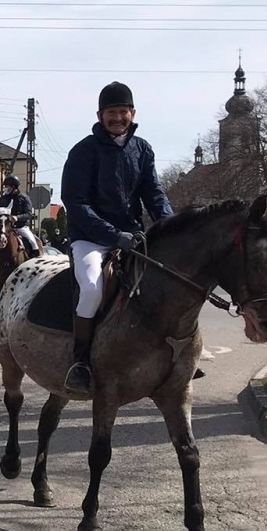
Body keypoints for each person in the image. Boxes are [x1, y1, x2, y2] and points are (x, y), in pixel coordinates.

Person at [60, 81, 174, 391]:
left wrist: (171, 225)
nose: (118, 118)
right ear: (100, 115)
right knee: (93, 289)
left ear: (133, 113)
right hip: (90, 238)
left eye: (123, 112)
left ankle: (172, 355)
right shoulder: (83, 151)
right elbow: (77, 205)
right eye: (112, 113)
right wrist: (113, 235)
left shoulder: (143, 149)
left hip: (133, 236)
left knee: (168, 282)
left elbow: (154, 194)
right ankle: (80, 361)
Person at [0, 174, 42, 272]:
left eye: (7, 186)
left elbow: (28, 214)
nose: (6, 188)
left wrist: (17, 217)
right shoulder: (3, 198)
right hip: (6, 228)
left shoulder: (24, 198)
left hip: (21, 227)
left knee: (33, 243)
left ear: (14, 186)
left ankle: (36, 268)